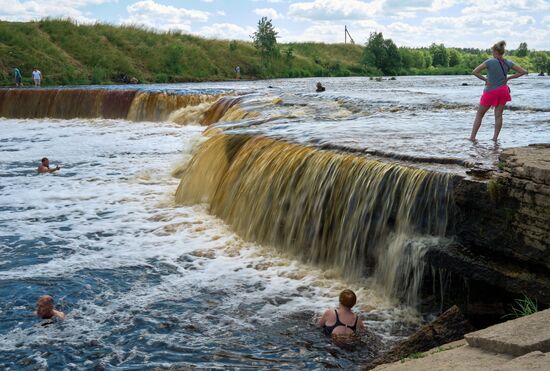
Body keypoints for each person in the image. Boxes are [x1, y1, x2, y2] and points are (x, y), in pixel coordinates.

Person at [469, 40, 527, 142]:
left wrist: (486, 80)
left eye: (492, 51)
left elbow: (475, 72)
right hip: (503, 91)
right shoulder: (508, 62)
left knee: (479, 115)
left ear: (495, 51)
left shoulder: (489, 62)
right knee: (498, 115)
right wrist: (509, 78)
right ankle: (495, 138)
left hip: (490, 91)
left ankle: (472, 137)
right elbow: (523, 71)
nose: (492, 53)